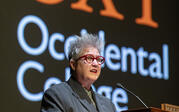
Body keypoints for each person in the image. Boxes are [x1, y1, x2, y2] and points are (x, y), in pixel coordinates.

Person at [40, 33, 116, 112]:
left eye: (98, 59)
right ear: (73, 64)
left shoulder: (109, 105)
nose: (95, 64)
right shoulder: (57, 95)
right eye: (89, 58)